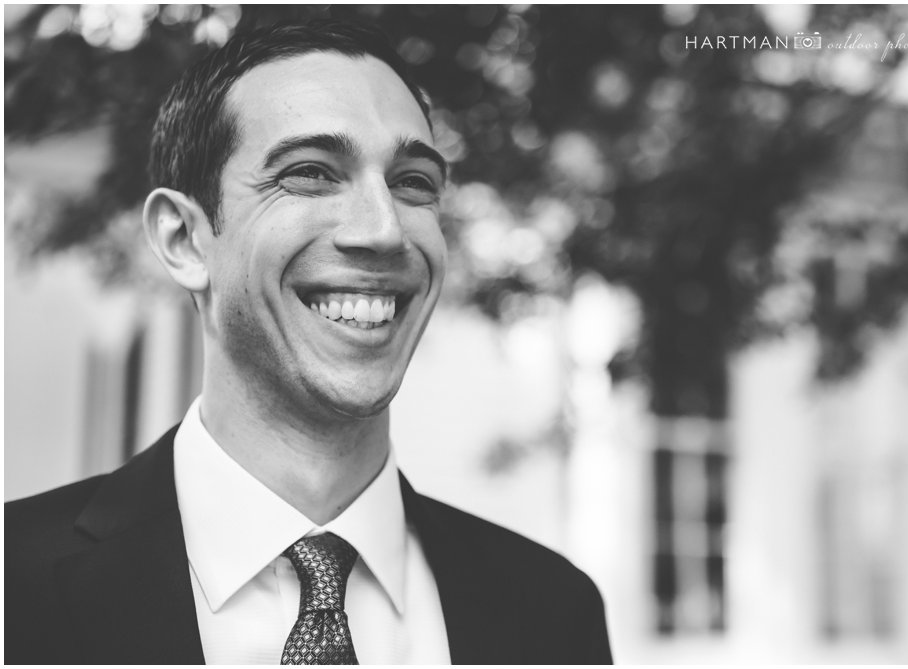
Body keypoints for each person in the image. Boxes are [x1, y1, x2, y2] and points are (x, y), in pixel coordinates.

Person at [4, 19, 613, 665]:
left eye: (413, 182)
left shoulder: (553, 610)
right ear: (184, 240)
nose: (383, 231)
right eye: (312, 173)